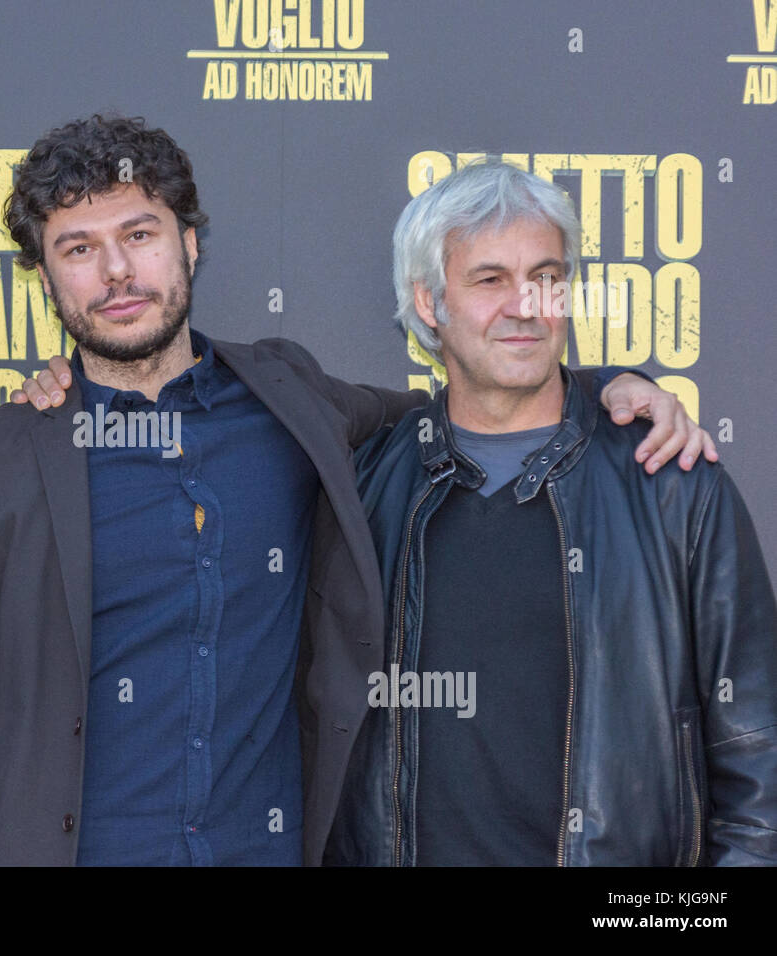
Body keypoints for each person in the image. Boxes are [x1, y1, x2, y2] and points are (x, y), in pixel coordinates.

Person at [0, 115, 708, 866]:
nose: (116, 272)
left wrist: (612, 389)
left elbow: (471, 398)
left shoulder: (289, 398)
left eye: (140, 233)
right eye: (77, 248)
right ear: (45, 275)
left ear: (190, 245)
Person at [329, 159, 776, 866]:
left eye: (546, 277)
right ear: (427, 302)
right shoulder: (363, 487)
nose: (527, 306)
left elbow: (759, 753)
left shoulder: (670, 478)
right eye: (489, 280)